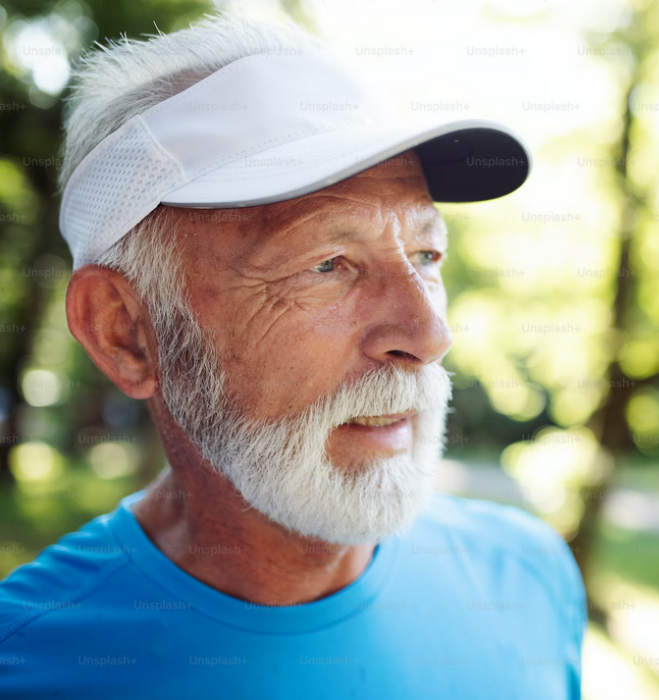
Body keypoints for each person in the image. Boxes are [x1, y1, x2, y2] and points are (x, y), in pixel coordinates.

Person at [0, 12, 584, 699]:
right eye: (327, 264)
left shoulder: (528, 575)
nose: (427, 336)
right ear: (124, 332)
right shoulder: (29, 665)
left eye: (426, 254)